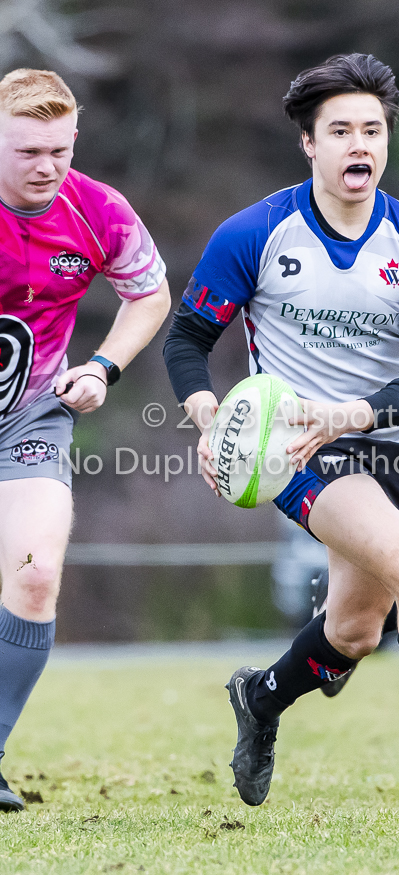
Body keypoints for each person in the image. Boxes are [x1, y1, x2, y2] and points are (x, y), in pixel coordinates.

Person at [164, 53, 399, 817]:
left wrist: (356, 411)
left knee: (355, 630)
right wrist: (210, 416)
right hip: (298, 447)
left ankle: (261, 698)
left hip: (385, 444)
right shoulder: (255, 233)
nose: (358, 145)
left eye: (371, 130)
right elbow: (186, 341)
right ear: (309, 143)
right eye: (339, 131)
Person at [0, 69, 170, 812]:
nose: (44, 167)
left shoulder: (98, 210)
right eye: (25, 150)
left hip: (31, 420)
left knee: (36, 575)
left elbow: (150, 292)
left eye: (57, 150)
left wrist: (103, 366)